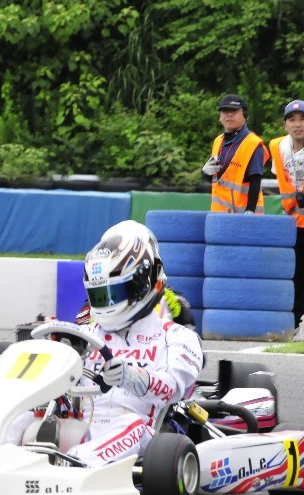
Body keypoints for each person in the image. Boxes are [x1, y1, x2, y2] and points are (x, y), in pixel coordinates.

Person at [65, 221, 204, 467]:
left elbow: (172, 389)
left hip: (140, 436)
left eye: (115, 293)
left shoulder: (176, 337)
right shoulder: (85, 335)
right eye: (100, 295)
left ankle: (76, 464)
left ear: (142, 284)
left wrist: (131, 377)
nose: (107, 303)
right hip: (79, 426)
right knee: (28, 416)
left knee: (130, 425)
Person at [269, 99, 304, 330]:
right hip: (292, 224)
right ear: (285, 125)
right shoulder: (278, 147)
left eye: (303, 119)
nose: (297, 124)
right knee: (296, 274)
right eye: (291, 120)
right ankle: (294, 324)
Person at [202, 94, 269, 214]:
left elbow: (255, 181)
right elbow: (216, 180)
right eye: (225, 111)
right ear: (220, 116)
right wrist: (205, 173)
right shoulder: (218, 141)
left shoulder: (253, 143)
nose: (229, 115)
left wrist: (250, 211)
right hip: (219, 215)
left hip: (244, 215)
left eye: (234, 111)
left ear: (245, 116)